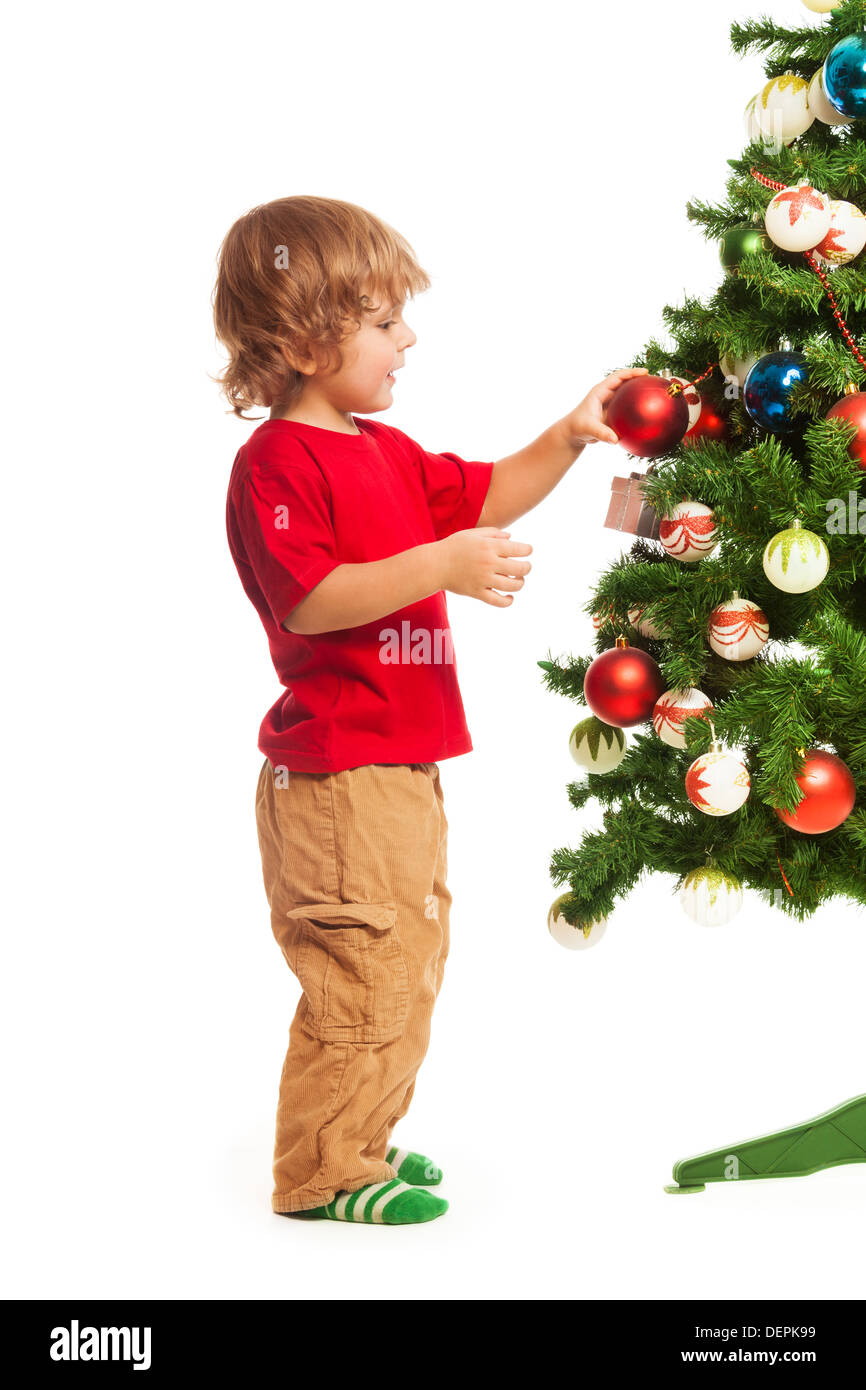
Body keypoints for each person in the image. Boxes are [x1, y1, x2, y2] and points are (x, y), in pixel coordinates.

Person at [213, 195, 645, 1225]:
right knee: (359, 966)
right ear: (308, 337)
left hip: (401, 766)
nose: (407, 338)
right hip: (332, 774)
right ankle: (318, 1175)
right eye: (382, 322)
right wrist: (438, 566)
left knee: (409, 960)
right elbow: (309, 598)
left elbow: (489, 491)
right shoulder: (275, 463)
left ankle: (360, 1142)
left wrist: (567, 435)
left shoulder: (384, 452)